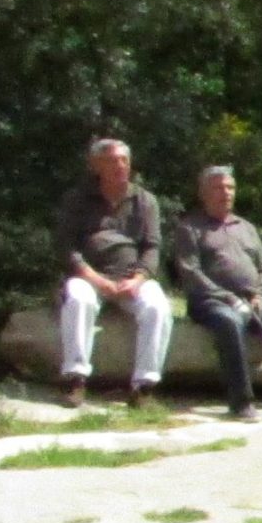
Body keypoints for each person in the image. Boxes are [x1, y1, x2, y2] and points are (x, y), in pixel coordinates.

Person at [171, 166, 262, 421]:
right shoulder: (190, 228)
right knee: (230, 322)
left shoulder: (246, 227)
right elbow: (190, 272)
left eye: (230, 187)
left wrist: (260, 294)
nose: (226, 193)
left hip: (255, 300)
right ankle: (242, 402)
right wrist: (229, 298)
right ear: (203, 193)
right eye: (218, 188)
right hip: (212, 301)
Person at [51, 138, 172, 408]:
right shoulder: (77, 199)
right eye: (111, 160)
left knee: (158, 307)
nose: (120, 165)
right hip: (89, 275)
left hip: (132, 277)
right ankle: (75, 379)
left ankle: (144, 387)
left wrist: (138, 279)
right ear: (96, 166)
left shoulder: (145, 201)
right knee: (79, 299)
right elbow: (65, 247)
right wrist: (96, 279)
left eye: (124, 160)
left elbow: (152, 247)